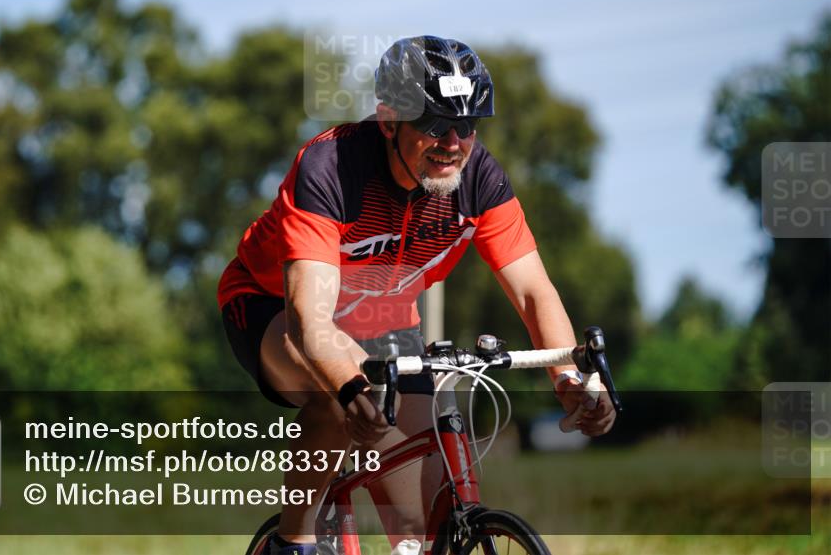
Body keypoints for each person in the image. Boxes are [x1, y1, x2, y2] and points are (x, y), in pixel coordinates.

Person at [218, 36, 616, 555]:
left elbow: (534, 292)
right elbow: (309, 323)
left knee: (418, 525)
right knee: (335, 399)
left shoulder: (479, 180)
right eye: (434, 125)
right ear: (388, 121)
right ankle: (293, 542)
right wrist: (347, 385)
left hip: (382, 319)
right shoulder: (331, 169)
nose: (453, 142)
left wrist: (567, 374)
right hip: (274, 306)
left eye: (467, 125)